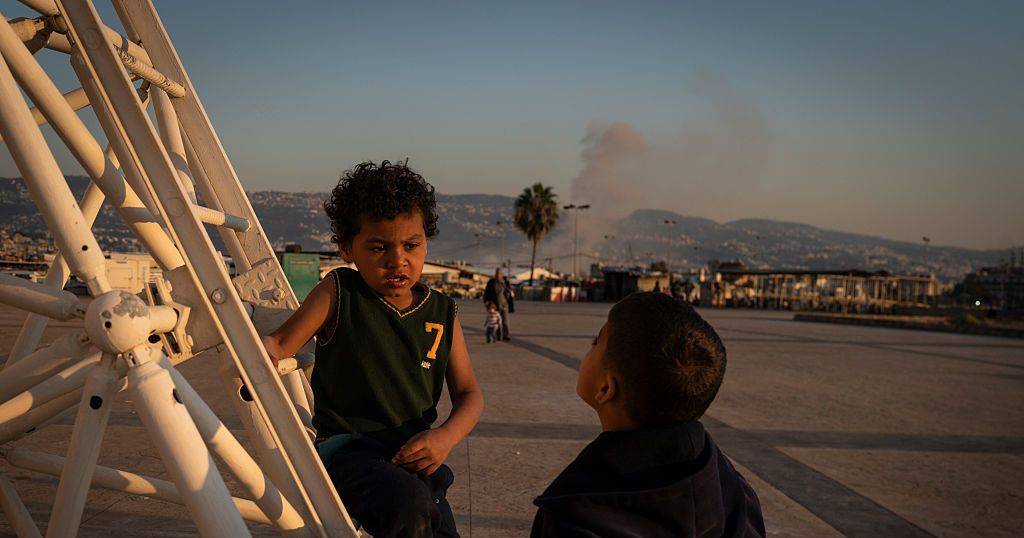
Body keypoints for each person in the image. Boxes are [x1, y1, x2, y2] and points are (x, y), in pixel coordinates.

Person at [262, 161, 484, 538]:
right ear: (348, 248)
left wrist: (445, 437)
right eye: (379, 247)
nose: (398, 260)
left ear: (426, 241)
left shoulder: (442, 310)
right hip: (350, 453)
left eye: (411, 246)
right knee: (409, 507)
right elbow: (280, 344)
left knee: (432, 519)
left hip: (414, 458)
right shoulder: (340, 291)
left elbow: (469, 393)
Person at [531, 292, 765, 537]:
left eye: (596, 342)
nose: (588, 349)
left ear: (605, 389)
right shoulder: (735, 494)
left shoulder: (573, 516)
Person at [483, 268, 511, 340]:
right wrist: (486, 302)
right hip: (494, 305)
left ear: (502, 275)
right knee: (496, 322)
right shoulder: (491, 282)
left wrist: (508, 301)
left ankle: (506, 335)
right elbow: (486, 292)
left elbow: (509, 292)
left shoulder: (505, 282)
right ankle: (498, 336)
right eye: (496, 274)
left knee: (505, 321)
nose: (497, 275)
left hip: (504, 304)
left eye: (499, 274)